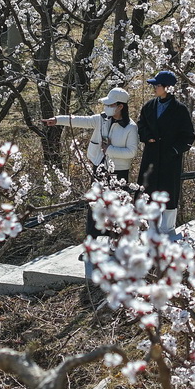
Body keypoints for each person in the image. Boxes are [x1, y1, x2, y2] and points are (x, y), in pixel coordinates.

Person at [42, 87, 139, 280]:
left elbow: (131, 153)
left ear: (120, 106)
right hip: (98, 168)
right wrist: (58, 120)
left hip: (119, 172)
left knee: (116, 210)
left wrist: (109, 149)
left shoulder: (130, 127)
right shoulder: (101, 119)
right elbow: (79, 120)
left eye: (110, 104)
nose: (106, 107)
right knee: (94, 207)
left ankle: (115, 246)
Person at [137, 70, 195, 234]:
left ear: (168, 88)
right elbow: (141, 126)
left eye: (158, 85)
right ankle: (147, 229)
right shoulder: (149, 106)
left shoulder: (180, 110)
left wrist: (174, 150)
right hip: (150, 157)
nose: (155, 88)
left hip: (170, 161)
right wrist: (147, 137)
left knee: (169, 194)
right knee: (147, 192)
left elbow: (189, 136)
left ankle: (168, 230)